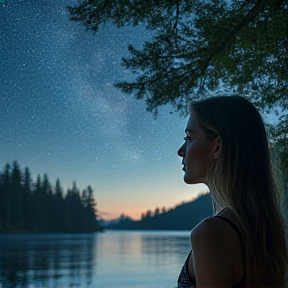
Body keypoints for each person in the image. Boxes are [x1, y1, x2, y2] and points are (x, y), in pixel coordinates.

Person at [176, 95, 288, 288]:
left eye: (189, 138)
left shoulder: (211, 234)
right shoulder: (274, 232)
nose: (181, 150)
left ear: (217, 146)